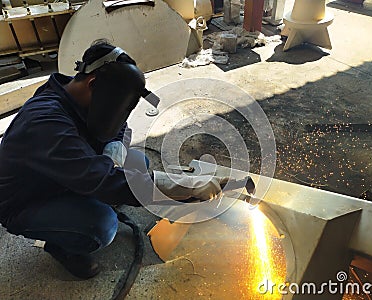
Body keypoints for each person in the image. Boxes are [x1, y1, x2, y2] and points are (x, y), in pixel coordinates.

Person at [0, 42, 228, 279]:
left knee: (139, 162)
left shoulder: (76, 90)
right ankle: (60, 245)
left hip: (68, 174)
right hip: (29, 201)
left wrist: (113, 155)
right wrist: (178, 185)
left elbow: (118, 126)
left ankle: (94, 200)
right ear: (93, 83)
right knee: (102, 226)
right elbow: (102, 179)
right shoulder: (44, 121)